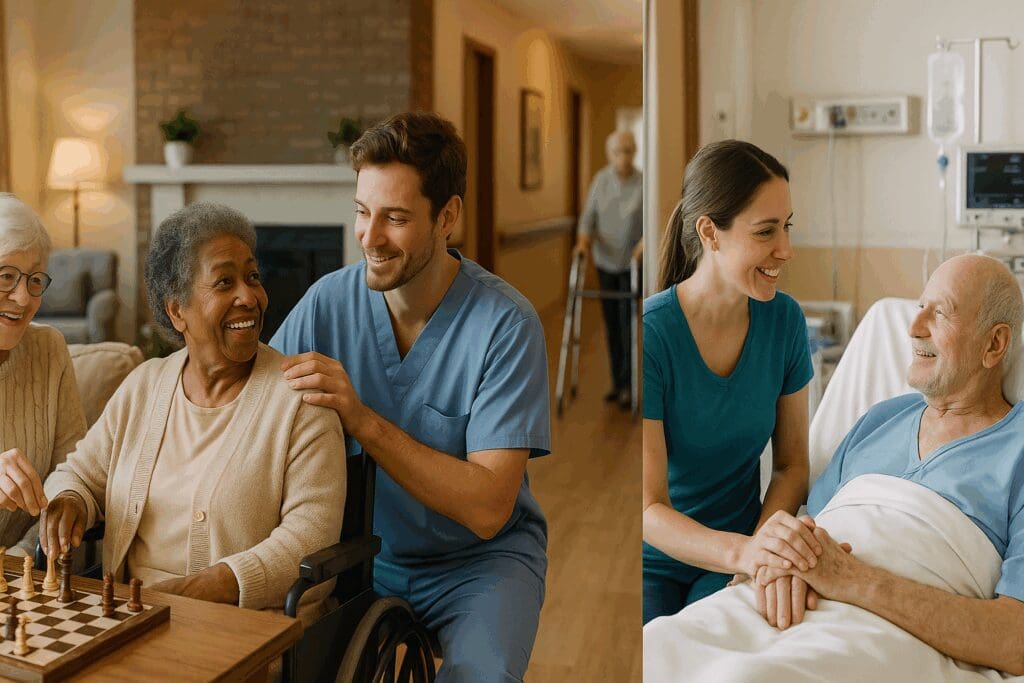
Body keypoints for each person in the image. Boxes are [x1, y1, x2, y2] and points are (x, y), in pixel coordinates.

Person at [643, 255, 1024, 679]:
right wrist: (782, 559)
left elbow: (1016, 640)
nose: (914, 327)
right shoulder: (879, 420)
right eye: (920, 307)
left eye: (940, 313)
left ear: (994, 344)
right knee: (658, 648)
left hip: (880, 634)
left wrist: (851, 579)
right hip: (781, 608)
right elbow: (811, 531)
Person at [270, 111, 550, 682]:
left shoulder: (506, 325)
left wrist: (363, 420)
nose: (370, 237)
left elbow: (488, 509)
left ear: (447, 216)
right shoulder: (327, 303)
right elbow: (257, 407)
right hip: (363, 555)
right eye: (362, 212)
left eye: (395, 218)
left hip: (480, 565)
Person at [30, 202, 345, 620]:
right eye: (225, 282)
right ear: (177, 310)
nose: (249, 297)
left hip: (243, 625)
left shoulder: (301, 401)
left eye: (252, 277)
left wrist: (208, 587)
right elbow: (79, 474)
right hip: (133, 613)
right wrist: (70, 499)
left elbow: (310, 537)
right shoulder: (145, 386)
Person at [642, 140, 820, 625]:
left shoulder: (785, 322)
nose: (785, 249)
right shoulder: (652, 335)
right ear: (710, 233)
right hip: (654, 562)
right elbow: (648, 507)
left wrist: (762, 548)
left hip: (738, 555)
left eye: (786, 226)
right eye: (766, 231)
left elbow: (791, 466)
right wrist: (745, 553)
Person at [0, 194, 87, 555]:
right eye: (6, 276)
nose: (23, 298)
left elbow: (74, 474)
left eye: (34, 279)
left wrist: (23, 557)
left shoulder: (48, 350)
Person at [575, 129, 643, 406]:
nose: (623, 157)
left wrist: (643, 246)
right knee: (612, 324)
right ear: (610, 154)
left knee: (628, 324)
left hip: (631, 264)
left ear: (634, 152)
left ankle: (629, 385)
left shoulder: (643, 183)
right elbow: (587, 219)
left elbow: (651, 222)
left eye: (628, 151)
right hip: (605, 261)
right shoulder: (600, 181)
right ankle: (618, 383)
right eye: (618, 152)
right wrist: (582, 243)